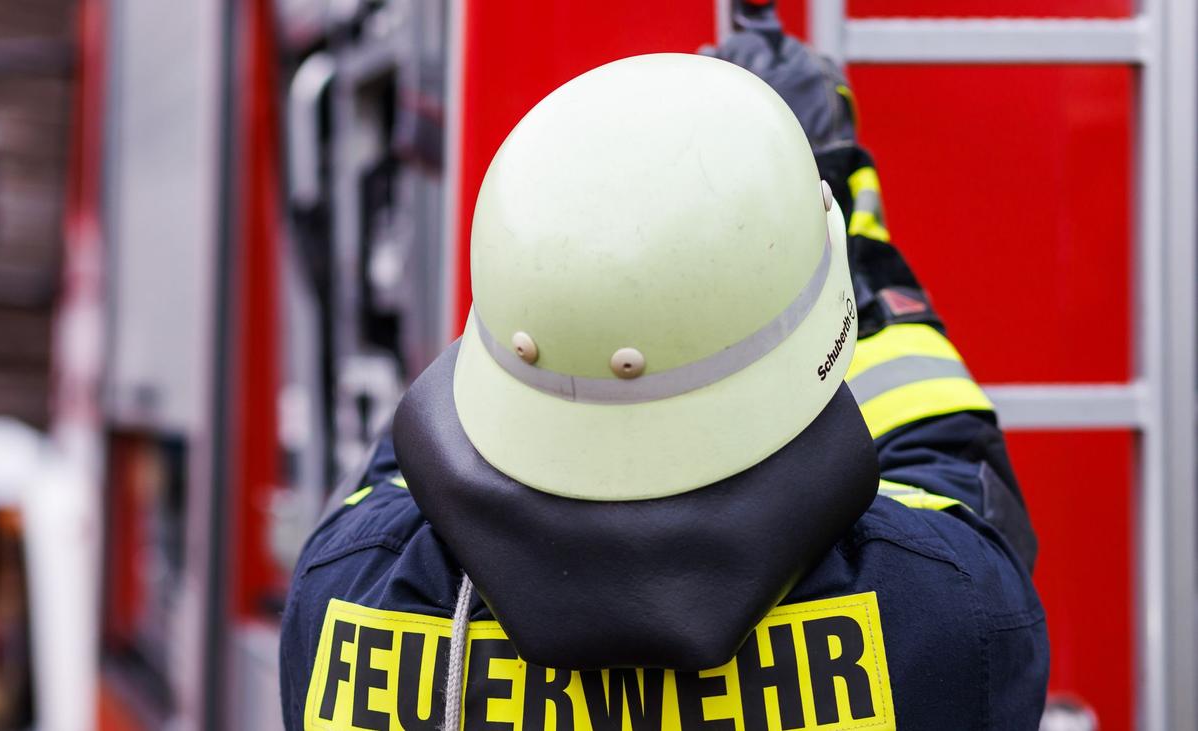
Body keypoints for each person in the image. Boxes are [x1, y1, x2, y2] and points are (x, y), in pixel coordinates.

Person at [280, 29, 1049, 731]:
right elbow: (955, 469)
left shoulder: (343, 597)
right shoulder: (942, 614)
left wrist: (552, 278)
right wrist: (843, 207)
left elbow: (412, 451)